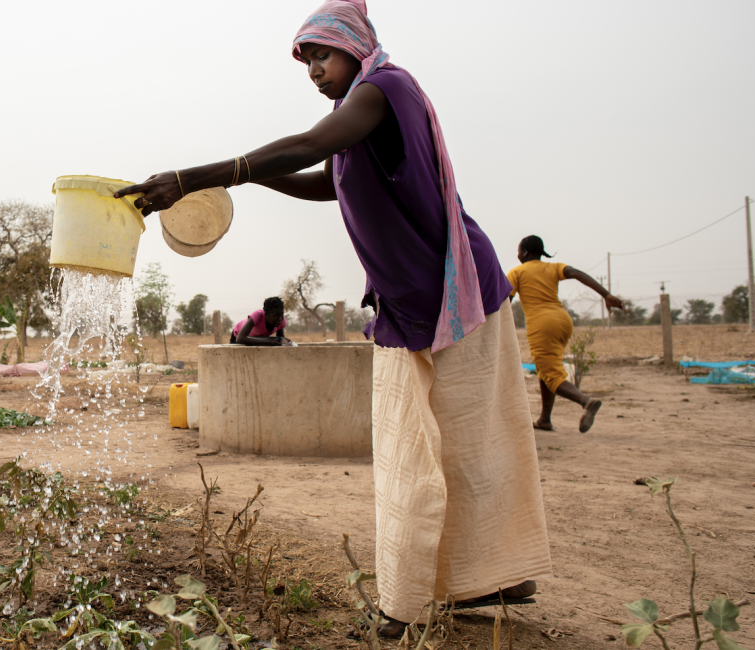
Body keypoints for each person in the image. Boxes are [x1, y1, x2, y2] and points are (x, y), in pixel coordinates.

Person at [114, 0, 551, 636]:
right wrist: (250, 181)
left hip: (458, 290)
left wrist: (193, 176)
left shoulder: (384, 89)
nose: (314, 71)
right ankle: (434, 588)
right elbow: (327, 177)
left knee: (470, 441)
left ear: (356, 47)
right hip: (414, 302)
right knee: (415, 444)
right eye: (306, 63)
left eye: (321, 55)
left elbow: (310, 146)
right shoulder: (358, 125)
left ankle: (464, 586)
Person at [508, 235, 623, 433]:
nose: (518, 255)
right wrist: (606, 295)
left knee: (550, 372)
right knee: (548, 368)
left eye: (519, 251)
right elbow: (576, 273)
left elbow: (504, 303)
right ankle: (545, 419)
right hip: (563, 321)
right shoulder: (553, 268)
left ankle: (586, 402)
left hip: (542, 325)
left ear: (524, 253)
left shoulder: (516, 273)